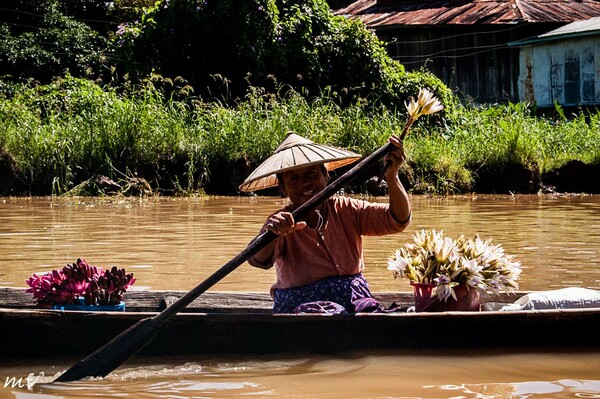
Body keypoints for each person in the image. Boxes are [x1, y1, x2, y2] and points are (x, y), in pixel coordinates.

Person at [239, 131, 411, 314]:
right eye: (294, 179)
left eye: (311, 174)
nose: (305, 184)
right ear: (283, 187)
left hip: (354, 299)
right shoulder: (280, 221)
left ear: (325, 175)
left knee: (370, 312)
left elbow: (397, 220)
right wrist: (274, 234)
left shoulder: (347, 208)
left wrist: (392, 177)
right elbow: (258, 260)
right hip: (302, 307)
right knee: (325, 315)